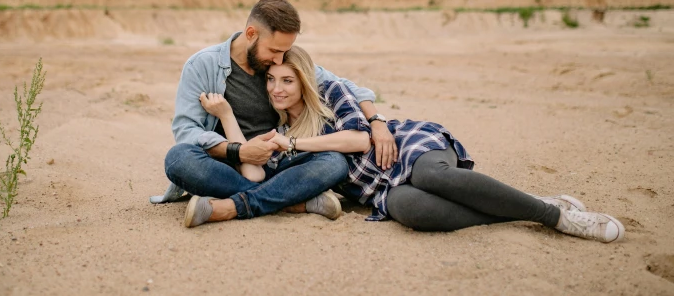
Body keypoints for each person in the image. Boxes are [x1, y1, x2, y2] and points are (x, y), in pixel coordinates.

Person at [191, 45, 625, 243]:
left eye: (287, 80)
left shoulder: (331, 95)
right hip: (375, 188)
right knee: (414, 210)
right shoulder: (273, 126)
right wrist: (229, 117)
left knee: (431, 176)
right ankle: (524, 204)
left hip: (403, 146)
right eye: (271, 80)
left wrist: (295, 142)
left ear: (303, 80)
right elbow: (252, 171)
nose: (277, 88)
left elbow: (360, 137)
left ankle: (556, 218)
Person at [151, 0, 394, 226]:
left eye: (284, 52)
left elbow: (350, 88)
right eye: (274, 51)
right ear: (251, 34)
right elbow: (186, 131)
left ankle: (238, 204)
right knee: (179, 158)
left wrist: (376, 121)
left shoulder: (283, 58)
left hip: (284, 161)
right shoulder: (202, 65)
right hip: (231, 166)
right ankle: (294, 201)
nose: (279, 60)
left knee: (334, 163)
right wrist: (240, 152)